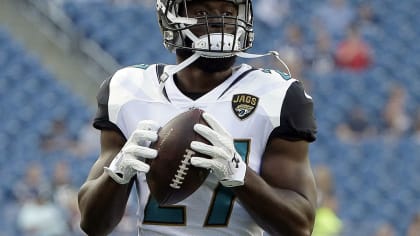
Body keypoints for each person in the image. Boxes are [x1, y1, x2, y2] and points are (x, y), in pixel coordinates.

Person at [77, 1, 318, 235]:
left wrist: (238, 174)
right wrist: (117, 172)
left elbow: (299, 227)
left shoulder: (276, 95)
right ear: (170, 18)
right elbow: (93, 225)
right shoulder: (130, 90)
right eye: (202, 11)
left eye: (228, 11)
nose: (218, 21)